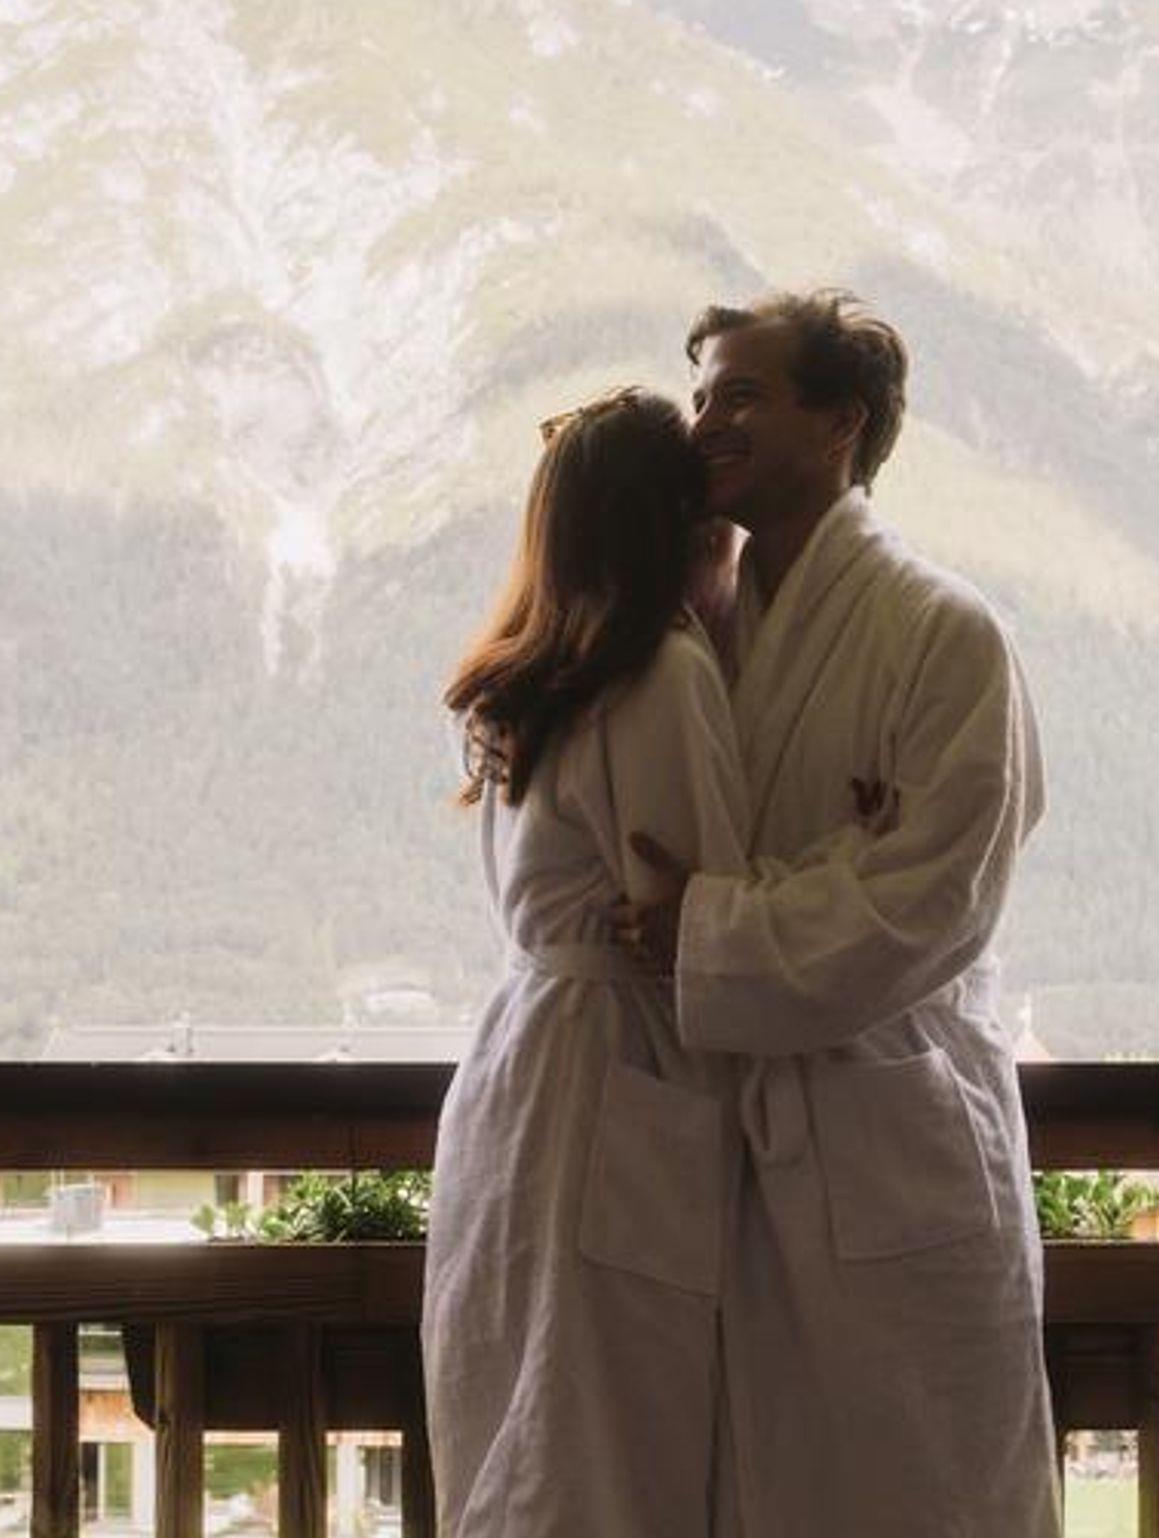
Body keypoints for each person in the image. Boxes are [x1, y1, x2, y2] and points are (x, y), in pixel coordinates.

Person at [615, 290, 1060, 1537]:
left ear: (839, 423)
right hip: (724, 1154)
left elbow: (935, 897)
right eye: (700, 395)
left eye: (743, 394)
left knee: (919, 1491)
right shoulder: (694, 628)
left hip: (886, 1137)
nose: (706, 421)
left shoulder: (943, 632)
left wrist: (706, 929)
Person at [423, 387, 750, 1537]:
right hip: (626, 1058)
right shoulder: (663, 673)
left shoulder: (524, 688)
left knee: (519, 1403)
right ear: (680, 526)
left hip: (516, 1072)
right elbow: (711, 896)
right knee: (616, 1425)